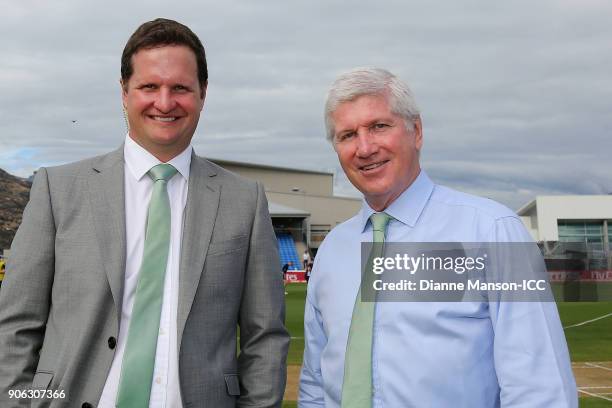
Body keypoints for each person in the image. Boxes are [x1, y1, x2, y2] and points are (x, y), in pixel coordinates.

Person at [0, 18, 289, 408]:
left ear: (203, 93)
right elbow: (15, 328)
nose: (165, 102)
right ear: (124, 91)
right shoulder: (58, 189)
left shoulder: (245, 200)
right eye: (150, 86)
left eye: (181, 88)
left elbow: (264, 337)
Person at [299, 67, 577, 407]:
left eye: (379, 126)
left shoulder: (494, 232)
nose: (365, 147)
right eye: (347, 135)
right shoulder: (332, 250)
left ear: (416, 131)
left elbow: (541, 386)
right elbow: (315, 381)